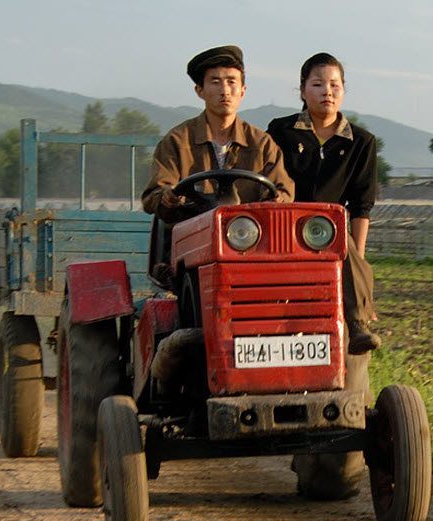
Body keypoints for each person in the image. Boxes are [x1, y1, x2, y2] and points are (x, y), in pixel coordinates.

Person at [267, 52, 381, 354]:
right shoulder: (281, 131)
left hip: (330, 230)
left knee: (348, 250)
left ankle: (357, 324)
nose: (327, 92)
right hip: (285, 224)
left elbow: (361, 205)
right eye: (318, 84)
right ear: (303, 90)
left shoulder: (361, 142)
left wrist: (359, 262)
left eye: (334, 84)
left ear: (343, 89)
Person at [142, 45, 294, 223]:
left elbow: (283, 190)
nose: (225, 91)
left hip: (248, 238)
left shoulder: (262, 143)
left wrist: (276, 199)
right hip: (190, 236)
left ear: (243, 90)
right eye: (215, 82)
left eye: (231, 82)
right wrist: (168, 197)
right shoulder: (177, 141)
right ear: (200, 91)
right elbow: (154, 195)